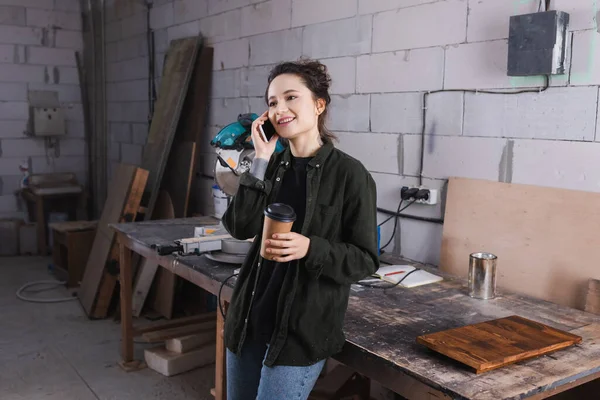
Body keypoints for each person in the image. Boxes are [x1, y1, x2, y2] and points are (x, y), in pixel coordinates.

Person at [221, 58, 379, 400]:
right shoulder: (271, 165)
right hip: (248, 319)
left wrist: (310, 248)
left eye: (291, 97)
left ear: (319, 104)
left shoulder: (350, 176)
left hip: (299, 331)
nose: (280, 109)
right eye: (273, 102)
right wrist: (259, 158)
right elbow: (238, 226)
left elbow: (365, 259)